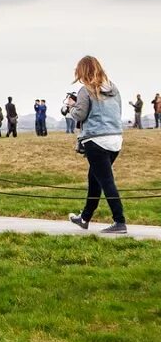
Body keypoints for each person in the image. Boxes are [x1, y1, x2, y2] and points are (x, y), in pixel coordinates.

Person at [67, 55, 129, 236]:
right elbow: (118, 111)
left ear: (82, 71)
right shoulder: (113, 87)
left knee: (106, 181)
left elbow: (79, 115)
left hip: (96, 140)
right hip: (115, 139)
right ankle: (84, 218)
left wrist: (71, 107)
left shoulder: (85, 91)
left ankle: (119, 221)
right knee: (95, 178)